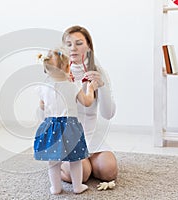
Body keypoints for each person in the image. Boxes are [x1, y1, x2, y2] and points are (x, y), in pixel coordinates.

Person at [33, 48, 98, 194]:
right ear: (68, 67)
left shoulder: (43, 89)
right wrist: (91, 88)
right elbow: (87, 102)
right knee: (75, 159)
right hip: (70, 127)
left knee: (53, 161)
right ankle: (77, 186)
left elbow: (42, 106)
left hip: (51, 126)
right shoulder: (73, 86)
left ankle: (56, 188)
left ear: (46, 70)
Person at [60, 25, 118, 183]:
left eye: (79, 43)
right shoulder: (58, 74)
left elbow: (108, 114)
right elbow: (46, 111)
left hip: (93, 137)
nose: (73, 48)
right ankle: (56, 165)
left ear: (89, 47)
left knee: (109, 171)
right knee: (82, 174)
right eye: (69, 44)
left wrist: (103, 85)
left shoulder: (97, 71)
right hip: (68, 139)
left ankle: (87, 162)